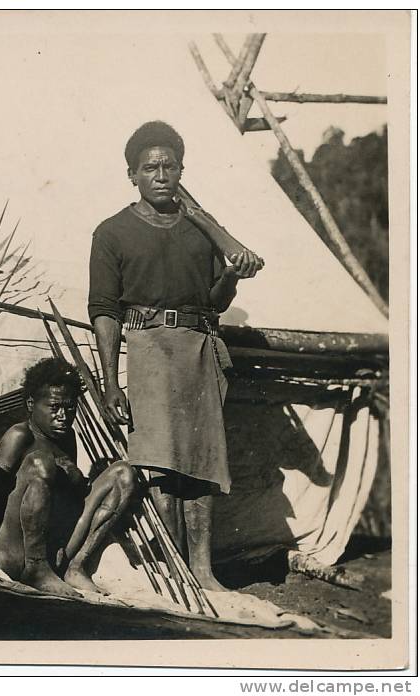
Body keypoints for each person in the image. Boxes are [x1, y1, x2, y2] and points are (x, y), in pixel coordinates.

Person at [88, 120, 263, 591]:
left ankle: (203, 571)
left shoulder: (203, 229)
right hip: (149, 347)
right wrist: (109, 382)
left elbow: (216, 301)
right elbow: (104, 310)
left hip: (201, 347)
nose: (161, 174)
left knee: (204, 462)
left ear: (182, 170)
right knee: (164, 463)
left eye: (169, 165)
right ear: (132, 175)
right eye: (150, 167)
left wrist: (232, 275)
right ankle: (172, 568)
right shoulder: (113, 232)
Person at [0, 357, 137, 598]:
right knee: (40, 461)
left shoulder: (66, 437)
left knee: (123, 473)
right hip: (17, 546)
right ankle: (36, 567)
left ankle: (76, 565)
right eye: (54, 407)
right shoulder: (19, 436)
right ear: (31, 404)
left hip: (56, 541)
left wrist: (78, 480)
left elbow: (67, 499)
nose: (63, 416)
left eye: (70, 407)